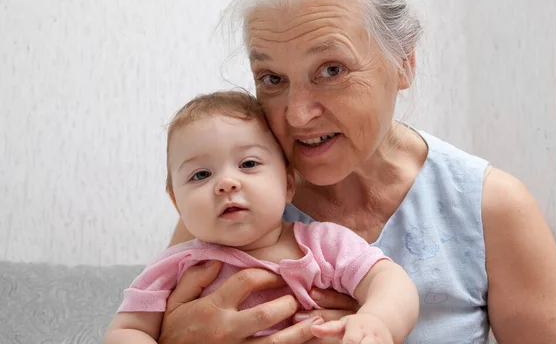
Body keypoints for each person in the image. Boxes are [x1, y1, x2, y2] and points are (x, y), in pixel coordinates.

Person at [157, 0, 556, 343]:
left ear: (404, 62)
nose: (297, 113)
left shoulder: (488, 206)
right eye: (272, 80)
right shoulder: (232, 203)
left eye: (331, 70)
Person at [104, 91, 419, 344]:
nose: (227, 183)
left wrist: (377, 321)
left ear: (289, 184)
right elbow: (127, 329)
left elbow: (389, 280)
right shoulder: (176, 267)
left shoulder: (322, 244)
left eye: (249, 163)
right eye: (201, 174)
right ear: (177, 203)